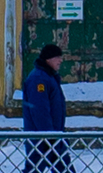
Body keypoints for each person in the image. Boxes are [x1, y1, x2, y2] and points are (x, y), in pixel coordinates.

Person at [22, 36, 71, 173]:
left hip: (50, 136)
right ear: (48, 59)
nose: (61, 61)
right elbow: (39, 110)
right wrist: (49, 135)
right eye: (57, 57)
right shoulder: (39, 79)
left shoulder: (48, 77)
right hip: (43, 138)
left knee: (39, 168)